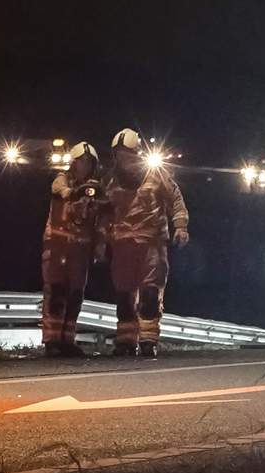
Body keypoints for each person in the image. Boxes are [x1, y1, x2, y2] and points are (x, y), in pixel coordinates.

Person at [100, 128, 189, 358]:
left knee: (150, 293)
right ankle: (125, 341)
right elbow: (103, 213)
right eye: (119, 154)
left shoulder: (155, 174)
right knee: (124, 296)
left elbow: (175, 198)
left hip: (152, 244)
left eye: (128, 154)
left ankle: (149, 340)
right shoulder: (109, 180)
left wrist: (180, 226)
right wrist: (101, 241)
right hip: (122, 246)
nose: (124, 159)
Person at [40, 142, 103, 357]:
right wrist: (73, 192)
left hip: (80, 252)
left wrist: (99, 247)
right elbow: (58, 189)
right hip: (57, 248)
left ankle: (67, 339)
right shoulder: (62, 180)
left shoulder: (95, 188)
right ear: (74, 164)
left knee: (75, 294)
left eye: (89, 163)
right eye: (81, 162)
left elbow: (100, 220)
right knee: (56, 292)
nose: (85, 166)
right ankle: (51, 341)